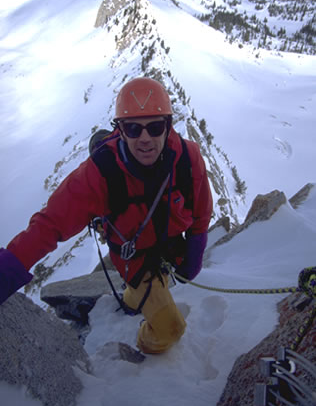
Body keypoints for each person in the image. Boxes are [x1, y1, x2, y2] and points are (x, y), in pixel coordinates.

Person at [0, 77, 213, 354]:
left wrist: (193, 254)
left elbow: (201, 210)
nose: (145, 138)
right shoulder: (100, 172)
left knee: (154, 292)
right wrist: (7, 269)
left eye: (155, 127)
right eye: (133, 128)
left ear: (169, 126)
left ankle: (138, 295)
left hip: (171, 247)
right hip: (135, 259)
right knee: (170, 329)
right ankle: (144, 341)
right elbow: (50, 224)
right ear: (120, 131)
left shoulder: (187, 157)